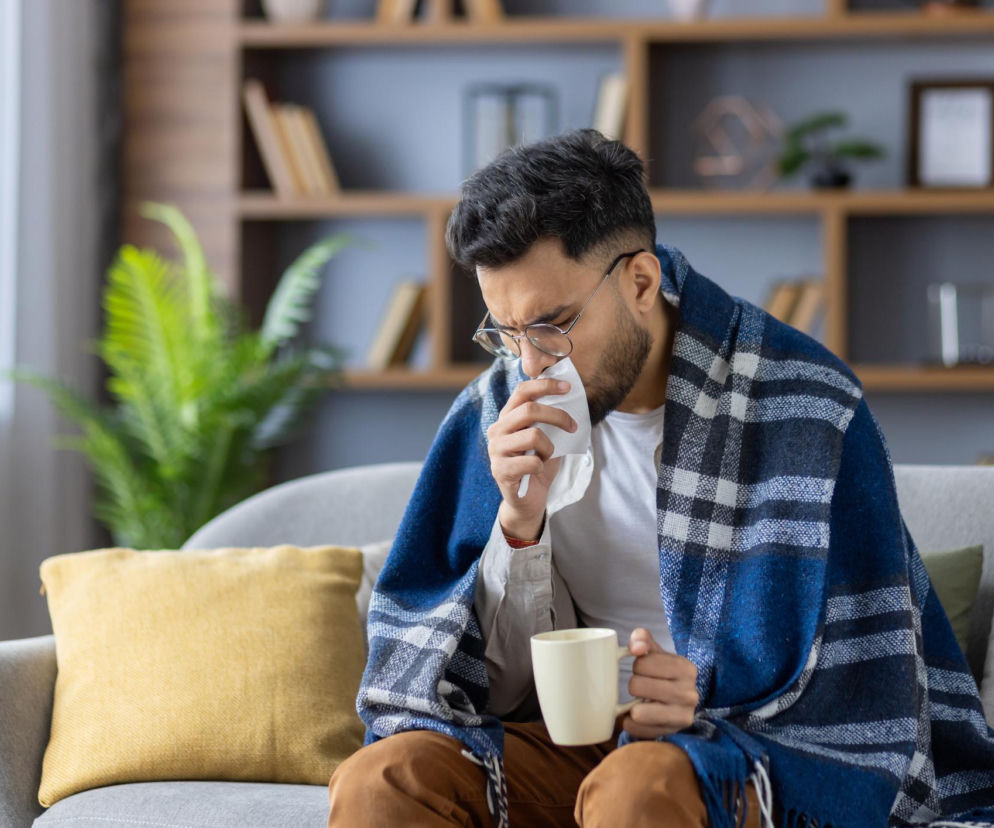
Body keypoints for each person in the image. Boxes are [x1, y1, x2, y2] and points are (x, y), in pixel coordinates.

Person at [328, 128, 994, 827]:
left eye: (553, 326)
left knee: (638, 788)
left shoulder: (807, 406)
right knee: (383, 779)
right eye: (505, 332)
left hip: (740, 753)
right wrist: (518, 528)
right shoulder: (496, 411)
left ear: (641, 282)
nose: (530, 365)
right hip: (571, 744)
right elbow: (493, 688)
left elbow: (862, 694)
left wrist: (705, 701)